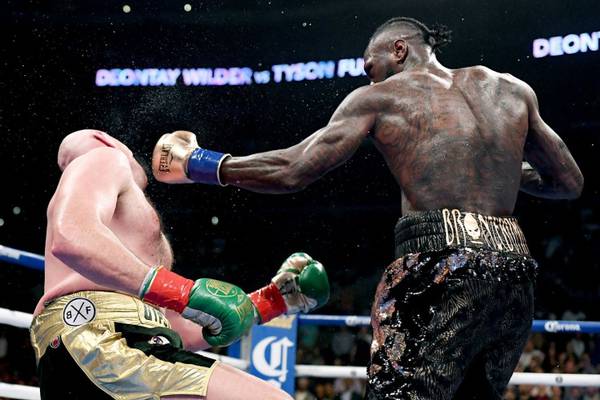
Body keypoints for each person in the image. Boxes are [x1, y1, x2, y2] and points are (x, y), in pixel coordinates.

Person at [151, 16, 583, 400]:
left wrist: (200, 164)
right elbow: (568, 182)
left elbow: (293, 169)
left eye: (370, 67)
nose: (370, 80)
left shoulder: (379, 98)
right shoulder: (510, 89)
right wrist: (493, 164)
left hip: (439, 262)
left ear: (400, 49)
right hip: (514, 269)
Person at [30, 129, 330, 399]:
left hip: (106, 349)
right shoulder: (104, 157)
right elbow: (71, 235)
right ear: (105, 139)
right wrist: (182, 291)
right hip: (97, 341)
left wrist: (269, 301)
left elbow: (171, 330)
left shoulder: (122, 248)